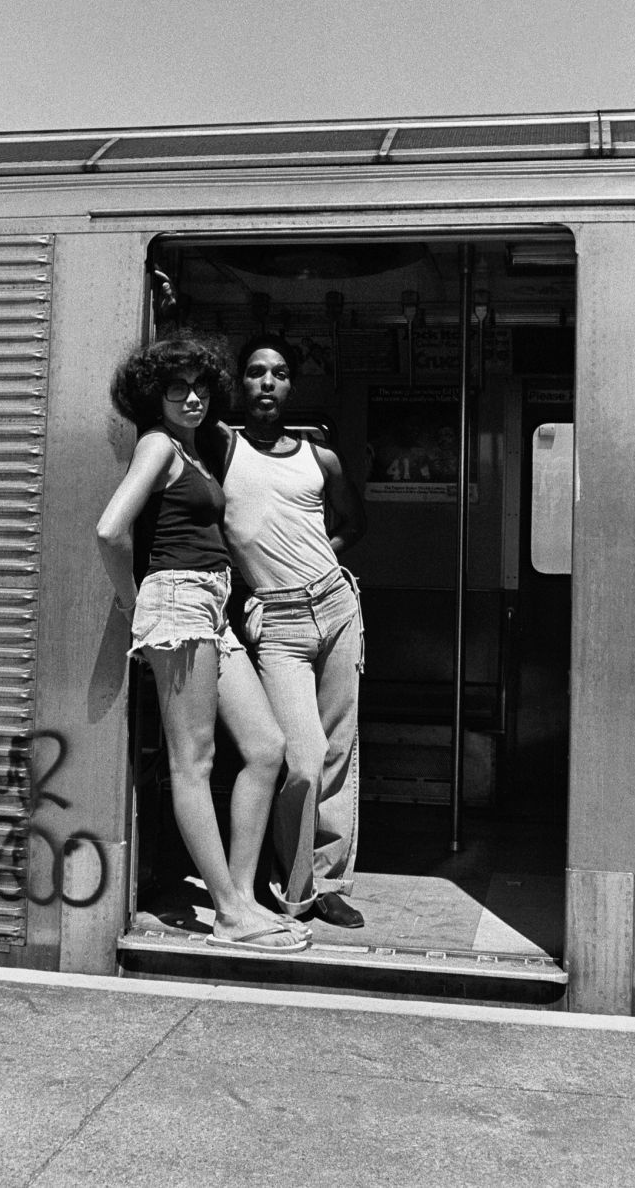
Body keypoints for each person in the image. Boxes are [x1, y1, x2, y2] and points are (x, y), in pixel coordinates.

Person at [96, 330, 309, 954]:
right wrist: (138, 605)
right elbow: (110, 530)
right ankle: (231, 911)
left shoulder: (192, 449)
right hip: (179, 600)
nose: (191, 399)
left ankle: (238, 902)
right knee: (195, 762)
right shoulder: (159, 446)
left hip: (211, 604)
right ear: (153, 398)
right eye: (176, 390)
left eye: (198, 388)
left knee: (268, 748)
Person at [218, 333, 367, 928]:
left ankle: (319, 885)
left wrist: (314, 567)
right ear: (240, 382)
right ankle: (292, 879)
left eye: (279, 373)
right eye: (256, 372)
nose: (267, 382)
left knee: (336, 752)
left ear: (292, 386)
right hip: (274, 622)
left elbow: (354, 524)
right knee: (301, 759)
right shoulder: (222, 450)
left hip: (334, 606)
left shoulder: (319, 457)